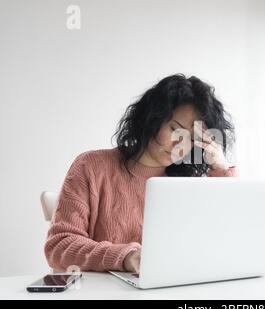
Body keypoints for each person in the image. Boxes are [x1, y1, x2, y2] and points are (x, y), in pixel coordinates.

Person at [44, 74, 238, 273]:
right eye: (174, 129)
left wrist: (222, 171)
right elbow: (59, 245)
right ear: (152, 119)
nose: (181, 144)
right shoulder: (91, 166)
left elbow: (229, 241)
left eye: (192, 138)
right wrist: (124, 257)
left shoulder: (187, 184)